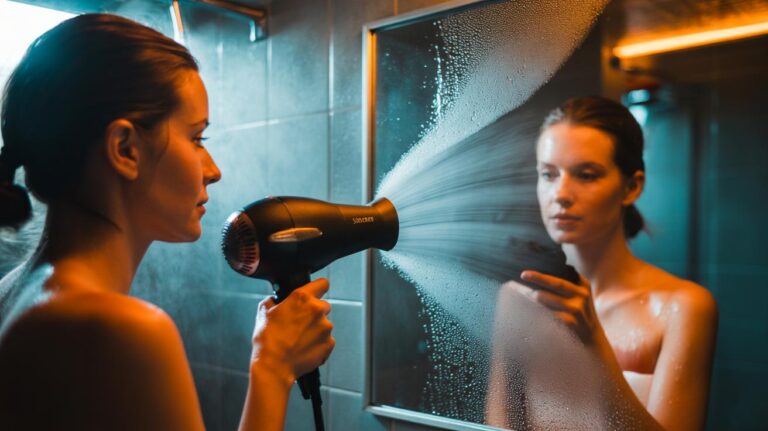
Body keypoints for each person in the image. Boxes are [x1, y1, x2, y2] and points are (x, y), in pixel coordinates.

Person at [0, 13, 334, 431]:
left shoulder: (11, 292)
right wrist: (274, 369)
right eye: (197, 139)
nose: (213, 170)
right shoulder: (125, 331)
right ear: (125, 149)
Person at [489, 96, 717, 430]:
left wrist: (596, 348)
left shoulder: (684, 308)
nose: (561, 194)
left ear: (631, 186)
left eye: (586, 175)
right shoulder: (516, 299)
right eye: (548, 174)